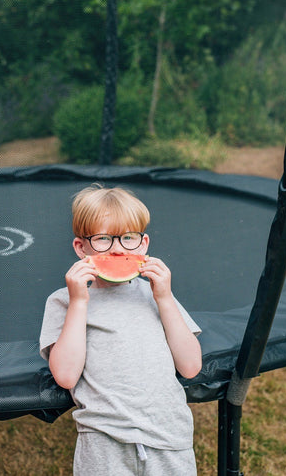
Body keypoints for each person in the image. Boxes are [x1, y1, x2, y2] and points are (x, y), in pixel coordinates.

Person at [39, 184, 202, 476]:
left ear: (143, 244)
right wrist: (78, 300)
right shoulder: (64, 301)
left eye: (128, 238)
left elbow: (190, 366)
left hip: (170, 436)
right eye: (103, 239)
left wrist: (164, 296)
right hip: (103, 441)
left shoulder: (158, 295)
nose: (117, 249)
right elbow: (65, 376)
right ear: (81, 247)